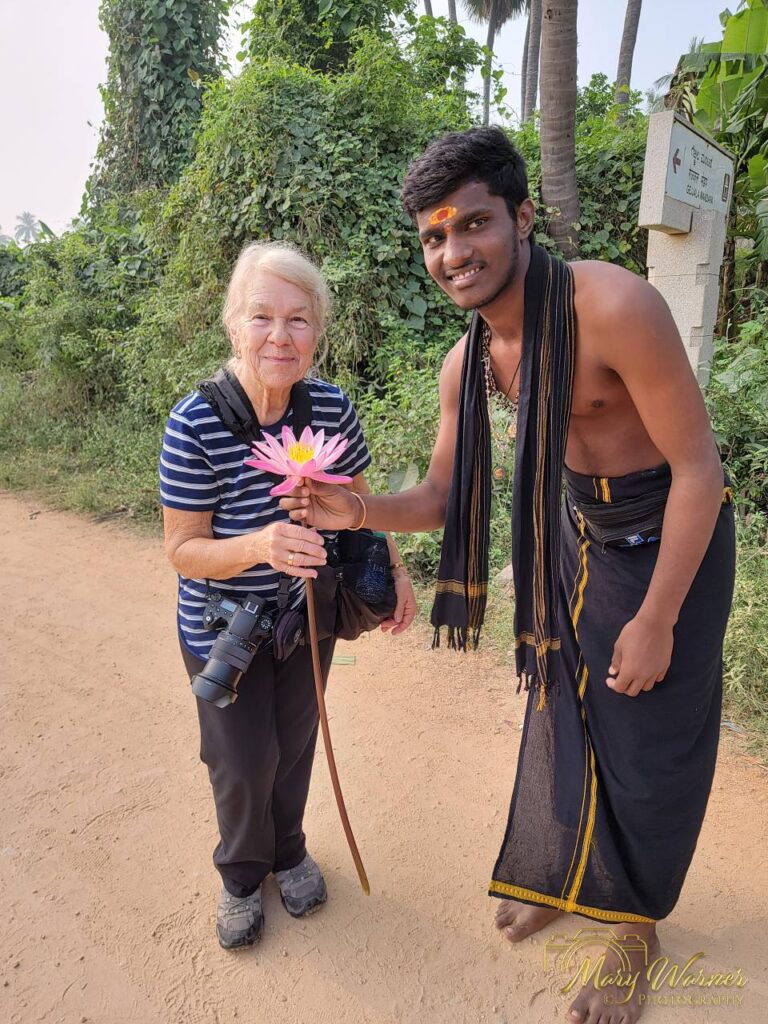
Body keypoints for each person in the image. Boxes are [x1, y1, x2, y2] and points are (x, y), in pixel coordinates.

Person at [281, 128, 735, 1022]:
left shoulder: (613, 306)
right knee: (562, 710)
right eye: (434, 238)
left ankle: (635, 926)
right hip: (574, 538)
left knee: (647, 741)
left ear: (523, 218)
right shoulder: (470, 362)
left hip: (669, 541)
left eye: (473, 225)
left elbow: (700, 472)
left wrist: (658, 619)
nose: (454, 254)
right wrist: (356, 509)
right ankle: (567, 876)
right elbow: (447, 492)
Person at [159, 241, 416, 950]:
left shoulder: (330, 406)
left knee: (298, 741)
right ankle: (242, 876)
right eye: (263, 316)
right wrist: (261, 544)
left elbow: (363, 500)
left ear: (318, 330)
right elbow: (182, 549)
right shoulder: (195, 424)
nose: (281, 336)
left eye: (299, 319)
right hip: (226, 630)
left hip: (308, 618)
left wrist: (396, 571)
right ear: (233, 324)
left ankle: (290, 849)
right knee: (241, 760)